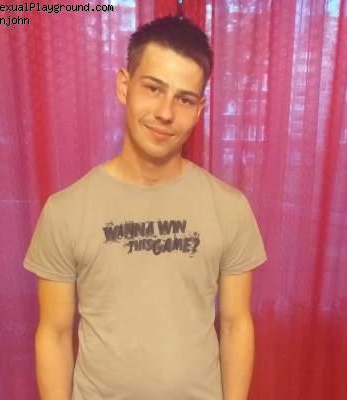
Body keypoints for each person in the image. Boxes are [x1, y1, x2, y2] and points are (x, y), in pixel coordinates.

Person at [24, 15, 267, 400]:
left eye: (184, 99)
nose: (166, 112)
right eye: (153, 88)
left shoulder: (230, 208)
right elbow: (54, 334)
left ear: (199, 109)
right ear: (125, 86)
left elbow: (236, 325)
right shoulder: (65, 211)